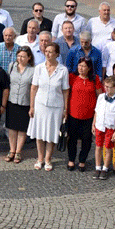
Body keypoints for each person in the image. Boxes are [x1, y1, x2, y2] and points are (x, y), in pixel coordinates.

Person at [27, 42, 70, 172]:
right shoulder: (39, 68)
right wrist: (32, 106)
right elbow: (34, 88)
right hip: (40, 105)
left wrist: (65, 109)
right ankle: (40, 158)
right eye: (46, 51)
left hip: (56, 106)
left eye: (51, 52)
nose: (48, 54)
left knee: (52, 133)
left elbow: (65, 90)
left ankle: (48, 159)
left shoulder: (63, 70)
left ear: (57, 54)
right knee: (39, 133)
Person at [66, 58, 101, 172]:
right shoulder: (72, 77)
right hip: (73, 114)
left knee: (86, 139)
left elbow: (100, 96)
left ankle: (82, 160)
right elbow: (66, 92)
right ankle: (71, 159)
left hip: (89, 115)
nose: (81, 68)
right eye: (79, 65)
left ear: (89, 68)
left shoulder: (94, 79)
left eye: (84, 66)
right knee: (72, 138)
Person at [6, 47, 34, 164]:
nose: (20, 58)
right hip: (12, 101)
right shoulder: (12, 66)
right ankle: (12, 150)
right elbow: (8, 83)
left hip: (25, 102)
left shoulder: (33, 70)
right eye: (18, 56)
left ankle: (18, 151)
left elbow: (33, 88)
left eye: (23, 56)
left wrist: (32, 106)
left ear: (29, 58)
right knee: (12, 127)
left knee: (22, 128)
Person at [92, 76, 115, 180]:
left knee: (108, 148)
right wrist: (93, 123)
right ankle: (97, 167)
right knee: (98, 146)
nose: (107, 89)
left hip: (110, 127)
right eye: (105, 86)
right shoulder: (101, 97)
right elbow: (96, 111)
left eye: (109, 87)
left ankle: (105, 168)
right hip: (99, 125)